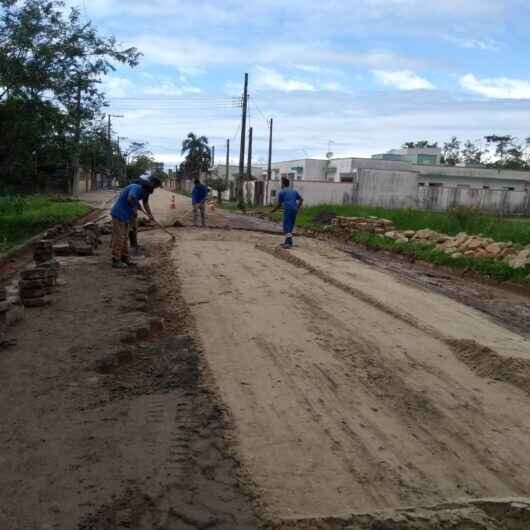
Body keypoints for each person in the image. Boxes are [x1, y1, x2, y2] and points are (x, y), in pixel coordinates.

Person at [110, 177, 161, 268]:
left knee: (125, 238)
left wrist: (138, 206)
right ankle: (115, 260)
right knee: (119, 238)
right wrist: (134, 208)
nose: (145, 196)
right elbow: (130, 198)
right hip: (118, 215)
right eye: (146, 193)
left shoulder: (141, 190)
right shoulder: (135, 187)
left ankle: (124, 258)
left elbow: (136, 200)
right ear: (144, 190)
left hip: (125, 216)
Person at [128, 174, 162, 253]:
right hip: (128, 203)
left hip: (133, 203)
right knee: (132, 226)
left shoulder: (149, 188)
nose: (157, 188)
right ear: (154, 183)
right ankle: (133, 246)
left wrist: (150, 215)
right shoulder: (144, 185)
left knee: (134, 226)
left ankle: (134, 244)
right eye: (157, 186)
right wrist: (135, 207)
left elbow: (145, 202)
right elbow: (132, 197)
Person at [271, 177, 303, 249]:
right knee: (290, 226)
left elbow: (279, 205)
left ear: (283, 184)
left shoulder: (282, 192)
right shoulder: (294, 191)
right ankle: (287, 242)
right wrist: (297, 208)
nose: (281, 185)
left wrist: (273, 211)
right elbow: (301, 199)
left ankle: (289, 243)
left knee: (286, 227)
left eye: (281, 183)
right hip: (294, 210)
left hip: (288, 210)